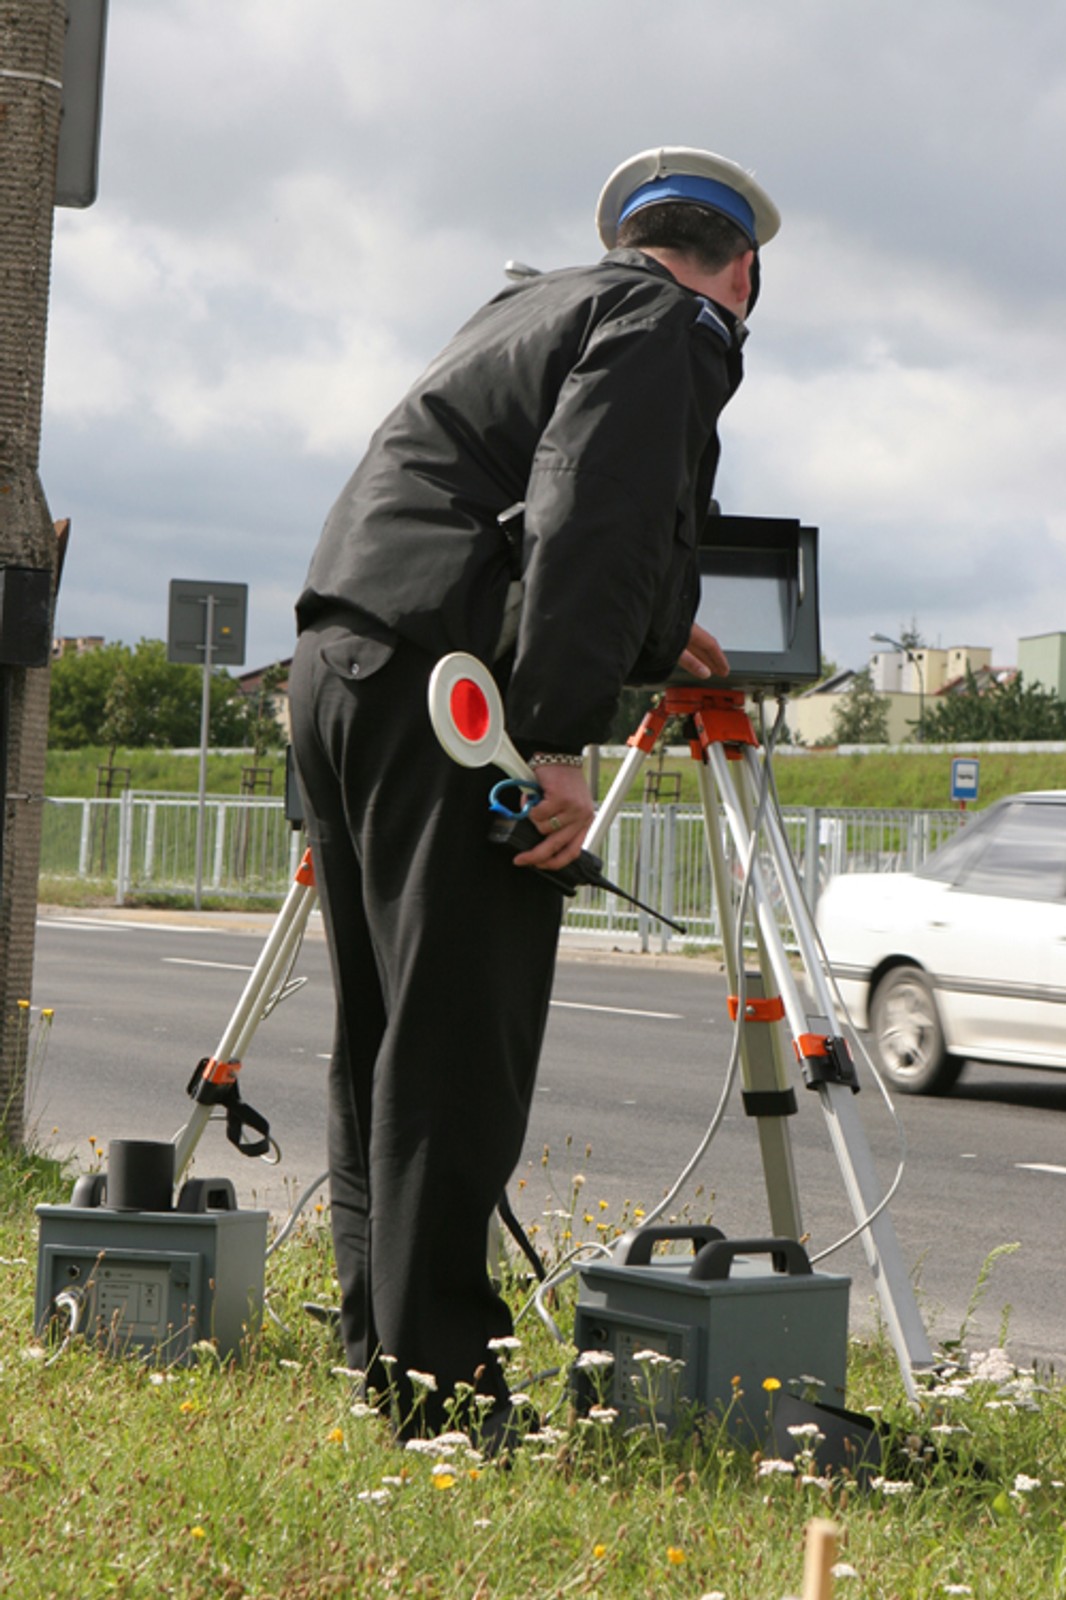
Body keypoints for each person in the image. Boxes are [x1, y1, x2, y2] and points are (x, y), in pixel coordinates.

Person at [289, 145, 780, 1441]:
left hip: (346, 665)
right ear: (742, 272)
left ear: (623, 235)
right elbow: (592, 510)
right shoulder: (670, 322)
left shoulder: (523, 305)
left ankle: (388, 1363)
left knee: (385, 1042)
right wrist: (557, 737)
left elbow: (510, 501)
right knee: (459, 1043)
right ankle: (447, 1397)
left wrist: (640, 637)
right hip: (459, 696)